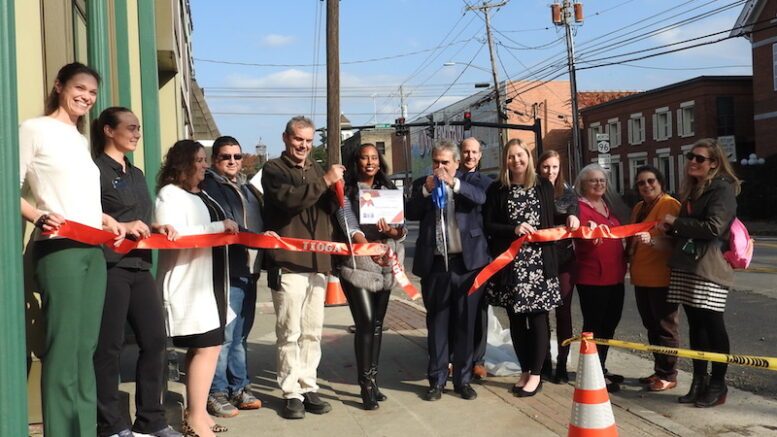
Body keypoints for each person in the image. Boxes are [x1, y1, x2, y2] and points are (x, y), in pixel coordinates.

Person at [19, 62, 125, 437]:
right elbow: (9, 188)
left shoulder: (81, 139)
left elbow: (80, 198)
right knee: (63, 349)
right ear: (59, 86)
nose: (86, 97)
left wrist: (106, 219)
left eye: (93, 93)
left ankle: (84, 429)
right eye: (80, 88)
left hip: (91, 250)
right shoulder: (33, 129)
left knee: (86, 348)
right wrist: (37, 215)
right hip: (58, 249)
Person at [91, 107, 181, 437]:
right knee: (109, 348)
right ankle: (111, 425)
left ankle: (151, 420)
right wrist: (121, 225)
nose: (136, 134)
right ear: (107, 130)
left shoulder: (138, 173)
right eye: (129, 128)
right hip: (110, 266)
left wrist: (156, 225)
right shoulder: (94, 170)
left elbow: (139, 215)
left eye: (139, 128)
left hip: (141, 266)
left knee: (155, 341)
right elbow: (88, 214)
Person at [155, 140, 239, 437]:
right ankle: (193, 417)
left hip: (210, 281)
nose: (205, 165)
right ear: (184, 163)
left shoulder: (201, 193)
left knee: (211, 346)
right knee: (203, 346)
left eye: (205, 159)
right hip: (187, 284)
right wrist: (219, 228)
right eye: (200, 160)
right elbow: (174, 234)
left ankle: (199, 413)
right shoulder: (169, 195)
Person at [261, 116, 343, 419]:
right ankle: (291, 391)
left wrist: (335, 189)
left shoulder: (317, 169)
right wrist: (324, 182)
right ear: (286, 138)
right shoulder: (273, 170)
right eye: (298, 139)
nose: (303, 146)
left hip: (317, 264)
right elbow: (289, 201)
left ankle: (309, 385)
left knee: (312, 332)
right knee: (289, 331)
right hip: (288, 264)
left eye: (308, 141)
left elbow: (328, 211)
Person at [483, 139, 579, 398]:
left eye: (521, 155)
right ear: (506, 160)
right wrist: (512, 229)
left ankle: (536, 374)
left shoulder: (543, 186)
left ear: (528, 157)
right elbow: (489, 224)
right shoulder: (497, 189)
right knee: (515, 320)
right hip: (511, 266)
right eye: (511, 156)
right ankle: (525, 369)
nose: (516, 160)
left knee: (538, 319)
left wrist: (572, 215)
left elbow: (557, 212)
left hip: (539, 265)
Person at [406, 139, 490, 401]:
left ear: (456, 163)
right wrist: (425, 192)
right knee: (437, 324)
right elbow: (409, 211)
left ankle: (463, 380)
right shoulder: (424, 183)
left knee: (466, 324)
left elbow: (481, 198)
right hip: (436, 265)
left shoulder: (472, 181)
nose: (440, 167)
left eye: (445, 162)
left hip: (467, 265)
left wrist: (454, 183)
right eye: (436, 162)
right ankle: (437, 379)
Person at [660, 139, 740, 408]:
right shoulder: (694, 190)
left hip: (709, 268)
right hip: (688, 264)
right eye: (690, 156)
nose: (692, 161)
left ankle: (718, 384)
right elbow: (690, 227)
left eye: (699, 158)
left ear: (714, 164)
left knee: (713, 325)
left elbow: (713, 227)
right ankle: (699, 381)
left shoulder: (722, 189)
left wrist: (676, 222)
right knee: (696, 326)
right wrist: (672, 228)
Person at [335, 143, 406, 410]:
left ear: (380, 161)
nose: (369, 162)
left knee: (377, 324)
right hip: (358, 264)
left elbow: (401, 231)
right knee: (364, 322)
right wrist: (364, 242)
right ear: (356, 161)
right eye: (364, 158)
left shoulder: (389, 191)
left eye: (374, 158)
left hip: (386, 263)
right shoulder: (347, 189)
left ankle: (373, 380)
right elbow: (347, 219)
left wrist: (393, 231)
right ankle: (364, 384)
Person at [201, 136, 264, 418]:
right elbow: (227, 224)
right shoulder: (210, 186)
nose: (232, 161)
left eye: (237, 157)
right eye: (226, 156)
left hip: (249, 269)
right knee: (225, 337)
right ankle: (216, 391)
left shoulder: (247, 188)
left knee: (240, 336)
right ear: (215, 159)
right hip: (228, 268)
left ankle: (239, 387)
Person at [573, 163, 629, 393]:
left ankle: (600, 367)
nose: (599, 184)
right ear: (582, 184)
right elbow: (575, 230)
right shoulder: (578, 207)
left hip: (615, 275)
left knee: (610, 324)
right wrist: (587, 227)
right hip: (591, 276)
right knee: (594, 326)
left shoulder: (608, 205)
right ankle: (590, 373)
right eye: (593, 180)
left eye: (602, 180)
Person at [628, 165, 681, 392]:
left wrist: (652, 241)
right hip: (641, 277)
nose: (646, 185)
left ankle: (669, 374)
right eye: (641, 182)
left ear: (660, 182)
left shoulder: (669, 205)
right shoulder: (639, 207)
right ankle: (659, 370)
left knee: (665, 327)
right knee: (651, 326)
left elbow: (677, 241)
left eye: (651, 181)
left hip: (662, 277)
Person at [536, 150, 578, 384]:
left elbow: (574, 212)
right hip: (540, 260)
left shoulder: (568, 192)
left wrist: (574, 217)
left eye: (554, 167)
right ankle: (544, 363)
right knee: (541, 313)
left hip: (564, 261)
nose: (550, 172)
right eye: (545, 167)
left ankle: (562, 363)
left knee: (563, 312)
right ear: (539, 168)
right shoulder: (533, 191)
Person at [458, 137, 494, 381]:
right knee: (455, 310)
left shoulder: (488, 184)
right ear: (459, 154)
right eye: (466, 151)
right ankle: (455, 357)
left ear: (480, 155)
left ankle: (478, 360)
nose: (470, 156)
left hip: (478, 252)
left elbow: (482, 204)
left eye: (474, 152)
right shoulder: (446, 175)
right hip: (451, 252)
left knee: (479, 311)